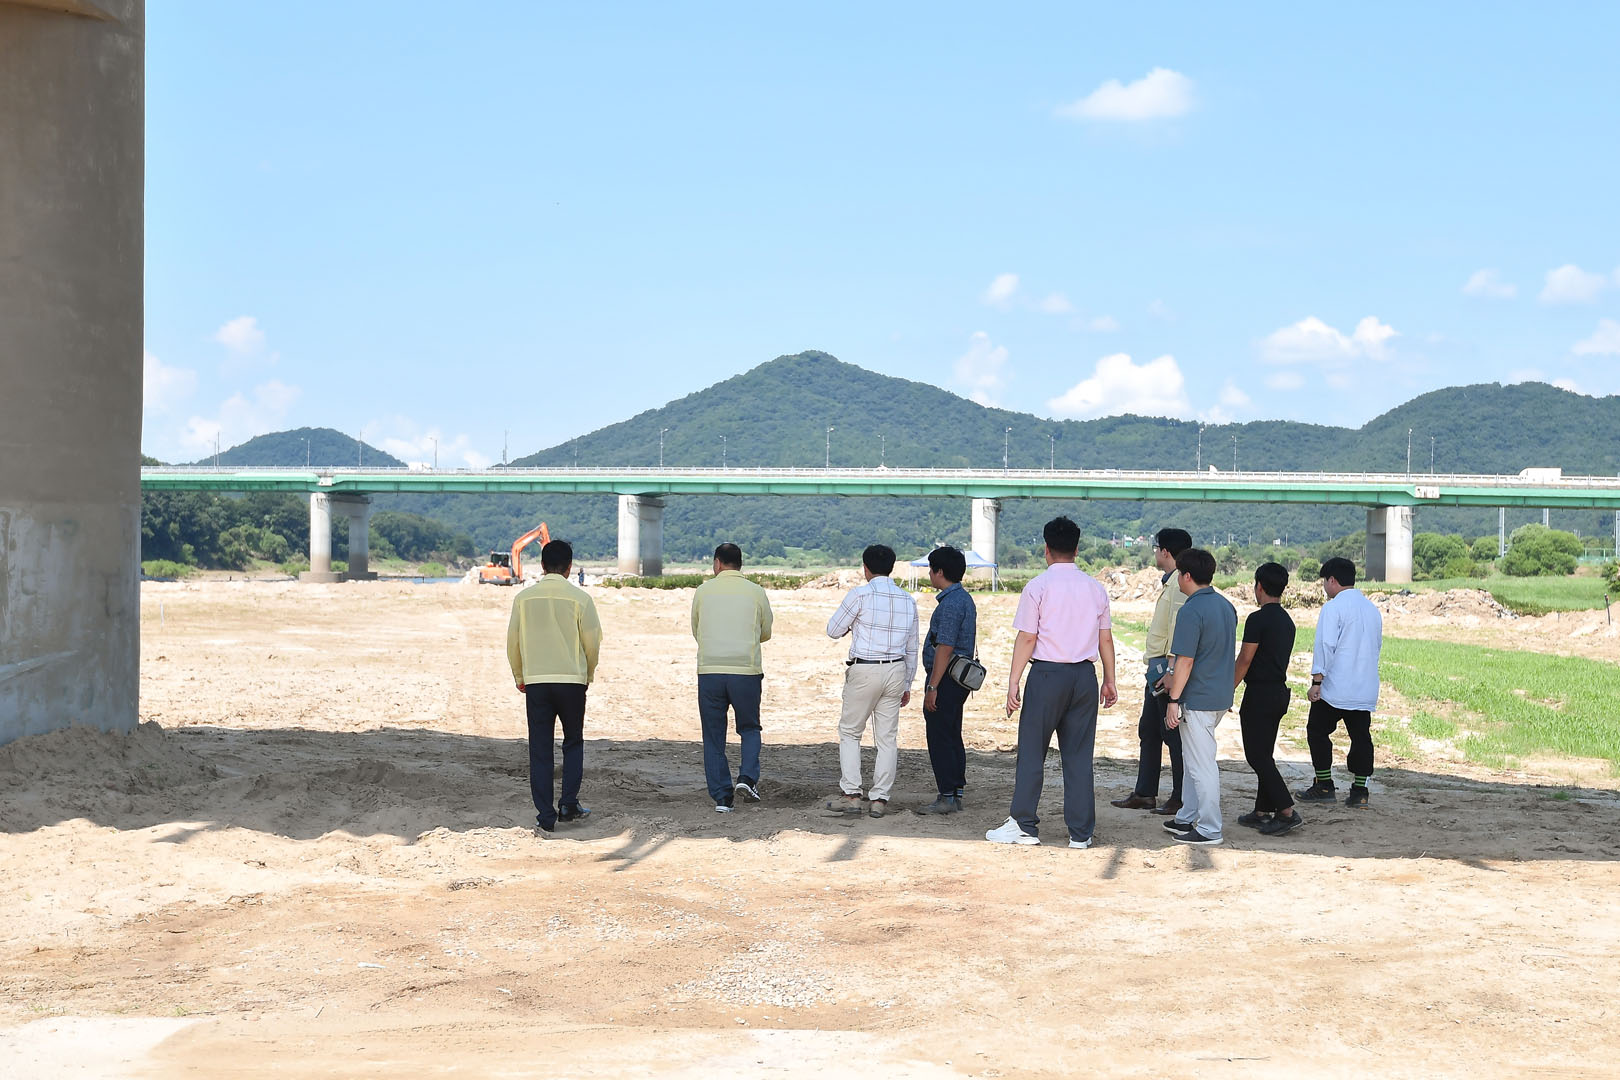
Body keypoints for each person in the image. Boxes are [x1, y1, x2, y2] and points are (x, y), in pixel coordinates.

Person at [987, 516, 1117, 849]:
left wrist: (1013, 681)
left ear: (1046, 549)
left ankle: (1024, 825)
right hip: (1084, 677)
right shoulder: (1095, 588)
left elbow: (1028, 637)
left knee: (1032, 751)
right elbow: (1105, 638)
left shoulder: (1038, 586)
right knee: (1079, 757)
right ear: (1077, 548)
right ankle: (1081, 833)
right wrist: (1109, 679)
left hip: (1047, 675)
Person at [505, 539, 602, 834]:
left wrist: (519, 675)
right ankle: (568, 804)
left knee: (540, 748)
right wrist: (587, 673)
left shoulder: (523, 599)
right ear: (569, 567)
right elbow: (592, 642)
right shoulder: (580, 599)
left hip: (536, 681)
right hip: (571, 681)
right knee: (573, 742)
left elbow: (513, 642)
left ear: (542, 566)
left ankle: (545, 815)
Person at [825, 544, 919, 819]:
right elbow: (912, 647)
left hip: (865, 669)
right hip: (896, 669)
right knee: (887, 738)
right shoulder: (907, 599)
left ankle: (852, 795)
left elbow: (833, 630)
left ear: (865, 568)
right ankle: (879, 799)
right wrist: (907, 684)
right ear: (892, 567)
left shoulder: (859, 595)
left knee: (851, 732)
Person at [1111, 527, 1192, 815]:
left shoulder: (1181, 585)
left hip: (1166, 669)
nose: (1155, 553)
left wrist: (1171, 670)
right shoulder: (1171, 582)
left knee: (1172, 734)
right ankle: (1145, 793)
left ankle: (1180, 797)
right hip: (1156, 667)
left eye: (1157, 548)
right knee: (1148, 729)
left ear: (1165, 552)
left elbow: (1179, 631)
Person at [1162, 548, 1238, 846]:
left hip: (1197, 699)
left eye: (1179, 574)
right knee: (1194, 758)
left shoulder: (1191, 610)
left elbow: (1185, 661)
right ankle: (1186, 816)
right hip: (1219, 695)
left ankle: (1209, 828)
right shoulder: (1226, 606)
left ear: (1187, 576)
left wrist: (1173, 700)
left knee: (1201, 765)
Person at [691, 543, 773, 813]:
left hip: (710, 671)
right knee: (749, 728)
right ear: (740, 564)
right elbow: (766, 631)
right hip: (746, 671)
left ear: (717, 563)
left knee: (713, 735)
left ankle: (722, 798)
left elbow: (696, 629)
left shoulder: (703, 591)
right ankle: (747, 778)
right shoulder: (756, 592)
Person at [1296, 557, 1383, 809]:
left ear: (1332, 580)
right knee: (1361, 738)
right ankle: (1360, 791)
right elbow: (1376, 647)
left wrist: (1317, 680)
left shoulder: (1333, 608)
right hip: (1364, 687)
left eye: (1325, 581)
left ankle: (1324, 785)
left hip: (1335, 687)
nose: (1324, 587)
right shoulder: (1372, 609)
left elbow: (1326, 645)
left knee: (1317, 731)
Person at [1234, 562, 1302, 836]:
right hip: (1278, 692)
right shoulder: (1287, 621)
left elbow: (1245, 659)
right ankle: (1262, 810)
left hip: (1259, 694)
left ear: (1259, 586)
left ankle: (1286, 811)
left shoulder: (1257, 619)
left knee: (1256, 756)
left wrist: (1228, 688)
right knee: (1265, 753)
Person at [915, 546, 978, 815]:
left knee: (940, 735)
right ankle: (956, 792)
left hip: (946, 678)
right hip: (959, 678)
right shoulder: (964, 599)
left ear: (940, 572)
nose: (929, 574)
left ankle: (947, 796)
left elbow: (945, 646)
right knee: (952, 733)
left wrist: (933, 686)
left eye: (931, 570)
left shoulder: (951, 604)